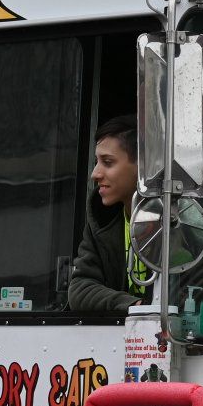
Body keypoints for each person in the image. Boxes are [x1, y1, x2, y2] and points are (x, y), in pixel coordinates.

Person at [68, 116, 150, 314]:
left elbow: (199, 291)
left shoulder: (179, 220)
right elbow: (79, 289)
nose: (95, 173)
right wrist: (135, 307)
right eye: (97, 162)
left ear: (143, 167)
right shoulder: (100, 218)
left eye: (108, 162)